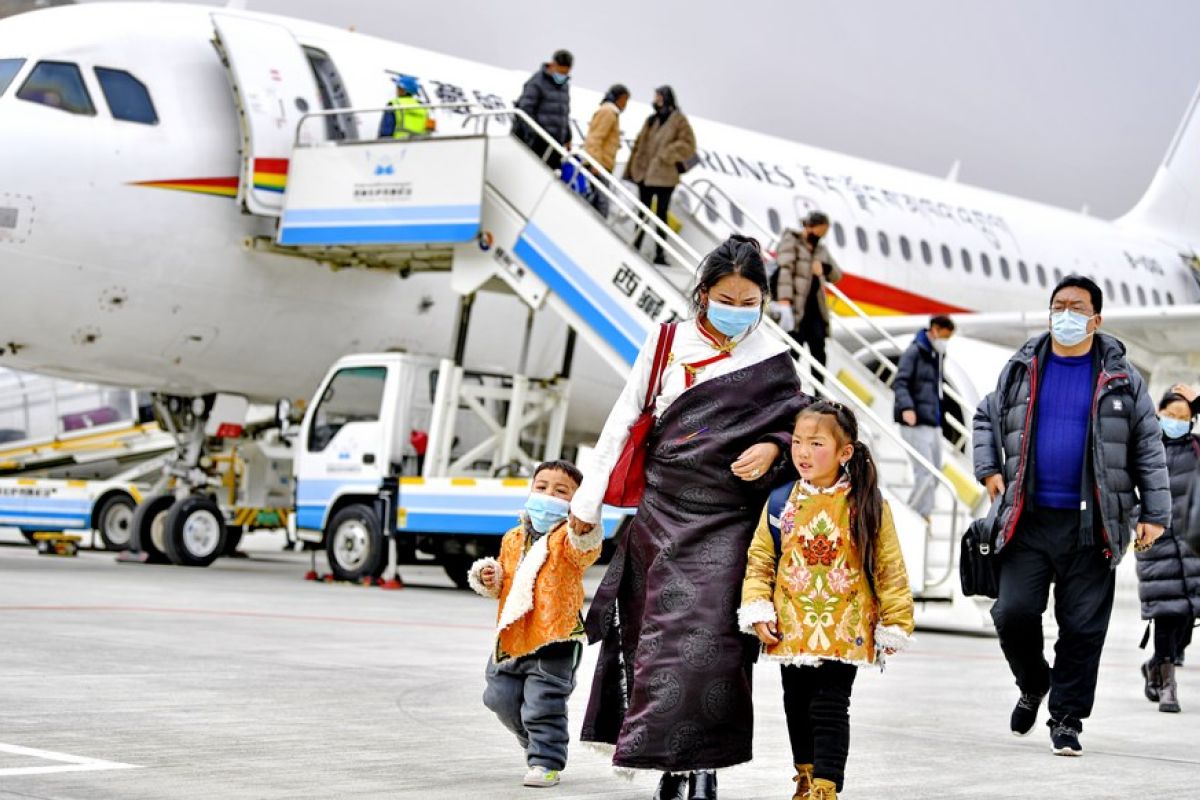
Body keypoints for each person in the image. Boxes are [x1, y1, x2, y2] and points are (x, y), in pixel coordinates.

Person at [570, 235, 809, 800]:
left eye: (750, 301)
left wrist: (775, 448)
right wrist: (587, 505)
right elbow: (624, 418)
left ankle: (701, 768)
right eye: (727, 298)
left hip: (729, 521)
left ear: (763, 301)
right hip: (662, 517)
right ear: (703, 295)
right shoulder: (664, 344)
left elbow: (802, 423)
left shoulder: (772, 357)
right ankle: (669, 765)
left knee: (716, 642)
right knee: (660, 641)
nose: (738, 311)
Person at [972, 274, 1170, 756]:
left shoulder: (1122, 378)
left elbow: (1147, 444)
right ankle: (1034, 682)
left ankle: (1066, 718)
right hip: (1028, 519)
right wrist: (988, 468)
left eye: (1076, 307)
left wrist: (1155, 512)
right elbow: (984, 415)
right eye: (1058, 305)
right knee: (1012, 612)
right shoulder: (1022, 367)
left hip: (1094, 524)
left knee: (1083, 629)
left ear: (1096, 319)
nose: (1065, 314)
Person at [739, 400, 914, 800]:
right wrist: (757, 607)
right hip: (791, 627)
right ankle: (804, 775)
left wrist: (896, 622)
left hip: (844, 628)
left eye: (816, 443)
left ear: (844, 452)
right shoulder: (782, 501)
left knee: (829, 706)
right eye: (798, 442)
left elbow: (889, 565)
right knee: (795, 705)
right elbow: (761, 559)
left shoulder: (866, 504)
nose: (802, 452)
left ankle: (826, 786)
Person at [467, 459, 601, 789]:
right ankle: (534, 742)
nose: (548, 495)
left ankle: (546, 761)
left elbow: (588, 547)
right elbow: (504, 579)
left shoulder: (569, 541)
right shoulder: (513, 538)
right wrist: (489, 577)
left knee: (543, 703)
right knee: (498, 697)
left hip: (554, 637)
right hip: (513, 633)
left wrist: (585, 519)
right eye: (541, 487)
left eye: (561, 491)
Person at [1134, 389, 1200, 713]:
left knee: (1186, 618)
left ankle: (1155, 666)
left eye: (1183, 417)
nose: (1176, 422)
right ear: (1159, 413)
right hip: (1156, 543)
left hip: (1192, 546)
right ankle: (1166, 683)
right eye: (1170, 415)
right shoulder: (1144, 447)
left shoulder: (1197, 448)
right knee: (1165, 615)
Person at [893, 315, 956, 522]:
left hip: (933, 422)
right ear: (935, 330)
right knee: (925, 472)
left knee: (935, 472)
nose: (945, 341)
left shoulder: (936, 355)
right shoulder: (914, 352)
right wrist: (907, 407)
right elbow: (900, 382)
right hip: (916, 421)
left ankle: (920, 512)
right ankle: (915, 515)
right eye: (945, 336)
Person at [627, 86, 697, 265]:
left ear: (667, 98)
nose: (656, 99)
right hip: (645, 175)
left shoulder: (678, 120)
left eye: (659, 96)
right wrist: (633, 167)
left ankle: (660, 254)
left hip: (665, 176)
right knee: (642, 212)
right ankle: (636, 244)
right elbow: (639, 144)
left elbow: (689, 144)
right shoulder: (652, 120)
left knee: (661, 215)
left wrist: (667, 154)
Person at [773, 212, 843, 381]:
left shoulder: (821, 249)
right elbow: (785, 271)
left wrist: (825, 269)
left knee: (819, 350)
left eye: (824, 233)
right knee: (793, 350)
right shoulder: (792, 241)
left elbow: (837, 275)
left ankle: (819, 392)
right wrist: (785, 301)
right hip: (796, 307)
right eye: (820, 231)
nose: (821, 236)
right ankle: (785, 389)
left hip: (815, 308)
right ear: (809, 227)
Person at [512, 49, 573, 169]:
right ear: (553, 65)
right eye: (560, 72)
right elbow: (526, 109)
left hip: (555, 145)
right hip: (538, 142)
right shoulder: (537, 83)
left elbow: (563, 113)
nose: (562, 76)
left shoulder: (564, 86)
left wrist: (568, 137)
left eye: (565, 73)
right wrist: (532, 136)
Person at [581, 83, 629, 218]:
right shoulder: (608, 112)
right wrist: (595, 163)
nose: (625, 105)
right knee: (602, 206)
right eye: (625, 100)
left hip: (603, 165)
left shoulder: (611, 113)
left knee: (597, 202)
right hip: (599, 165)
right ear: (619, 98)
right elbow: (595, 138)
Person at [377, 74, 435, 139]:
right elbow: (430, 128)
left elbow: (386, 129)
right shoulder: (422, 105)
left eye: (398, 88)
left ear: (403, 90)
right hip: (421, 144)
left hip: (399, 144)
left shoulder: (394, 104)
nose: (397, 90)